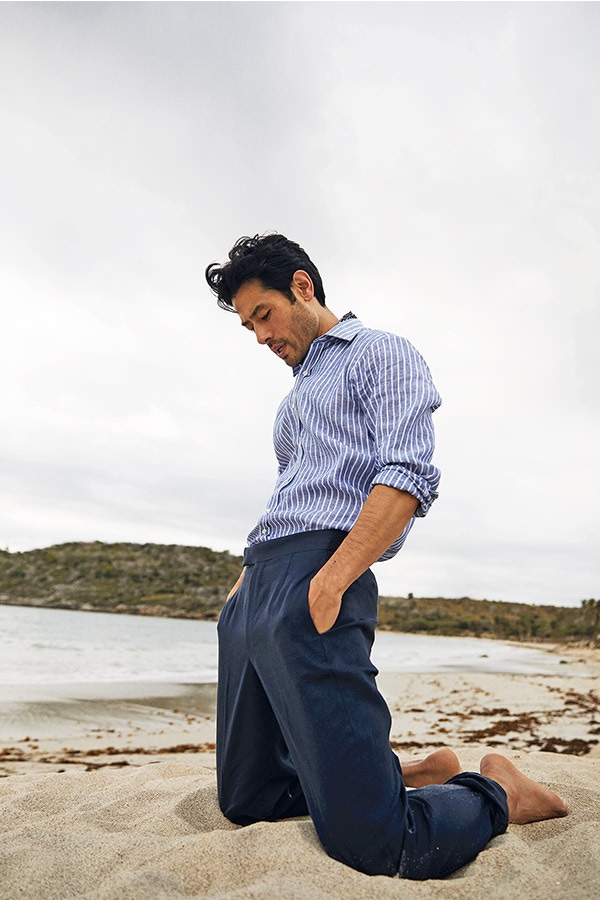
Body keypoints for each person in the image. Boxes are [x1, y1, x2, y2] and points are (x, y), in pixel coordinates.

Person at [204, 233, 568, 880]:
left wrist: (332, 578)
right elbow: (289, 494)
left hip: (319, 575)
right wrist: (242, 587)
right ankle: (400, 773)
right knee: (245, 800)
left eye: (264, 315)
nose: (260, 336)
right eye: (247, 327)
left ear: (302, 287)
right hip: (258, 585)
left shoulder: (382, 354)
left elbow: (406, 475)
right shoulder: (294, 402)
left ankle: (500, 791)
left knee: (379, 844)